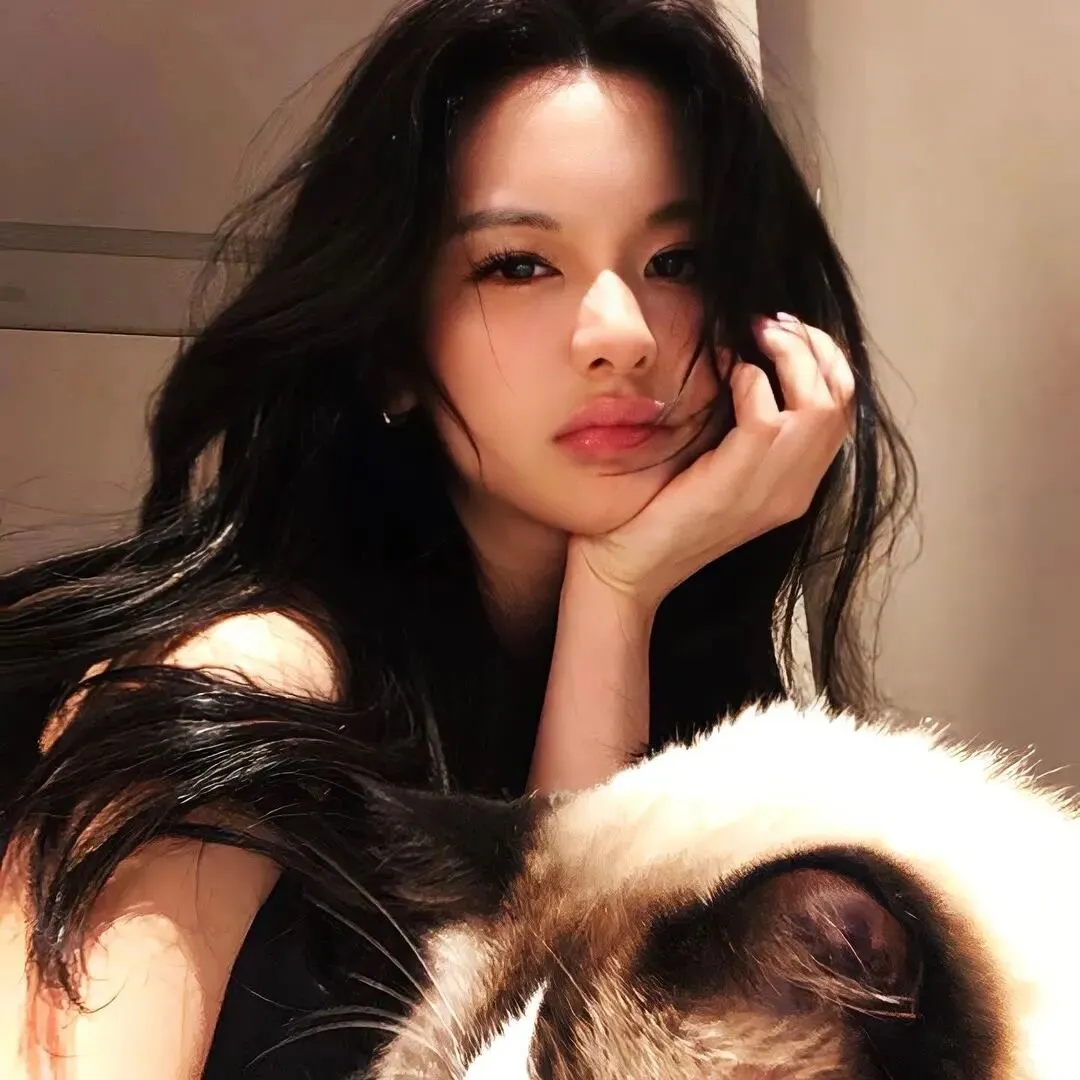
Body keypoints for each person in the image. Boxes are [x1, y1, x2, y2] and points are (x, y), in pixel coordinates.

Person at [0, 0, 914, 1076]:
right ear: (393, 352)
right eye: (518, 265)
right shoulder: (244, 692)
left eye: (678, 262)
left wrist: (615, 597)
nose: (622, 336)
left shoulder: (701, 723)